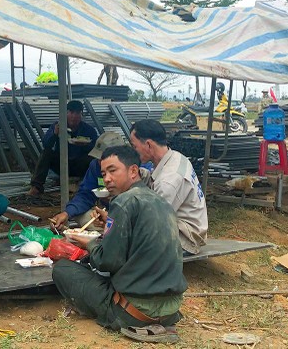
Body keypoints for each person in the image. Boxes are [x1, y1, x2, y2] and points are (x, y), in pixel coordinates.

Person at [52, 146, 187, 344]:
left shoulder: (123, 202)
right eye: (104, 173)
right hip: (171, 310)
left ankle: (119, 314)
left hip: (132, 312)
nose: (106, 179)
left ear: (133, 171)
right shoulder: (159, 201)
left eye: (113, 171)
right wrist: (110, 225)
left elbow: (107, 262)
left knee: (62, 269)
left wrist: (90, 244)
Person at [129, 119, 208, 255]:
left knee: (129, 247)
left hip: (185, 238)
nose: (133, 151)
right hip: (185, 224)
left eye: (134, 146)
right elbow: (155, 181)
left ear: (148, 145)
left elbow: (152, 221)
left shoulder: (169, 181)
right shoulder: (175, 157)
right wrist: (141, 174)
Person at [49, 131, 125, 229]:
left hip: (128, 217)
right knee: (80, 214)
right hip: (107, 213)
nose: (100, 162)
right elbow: (86, 194)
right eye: (98, 158)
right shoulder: (95, 166)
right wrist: (67, 213)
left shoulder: (136, 169)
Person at [28, 100, 99, 195]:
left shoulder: (89, 130)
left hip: (80, 165)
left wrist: (86, 145)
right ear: (66, 113)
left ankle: (95, 187)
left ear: (81, 115)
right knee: (47, 153)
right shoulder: (58, 126)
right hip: (62, 163)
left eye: (77, 113)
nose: (74, 116)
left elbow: (96, 148)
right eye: (71, 112)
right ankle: (36, 187)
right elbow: (46, 144)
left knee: (95, 160)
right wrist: (54, 134)